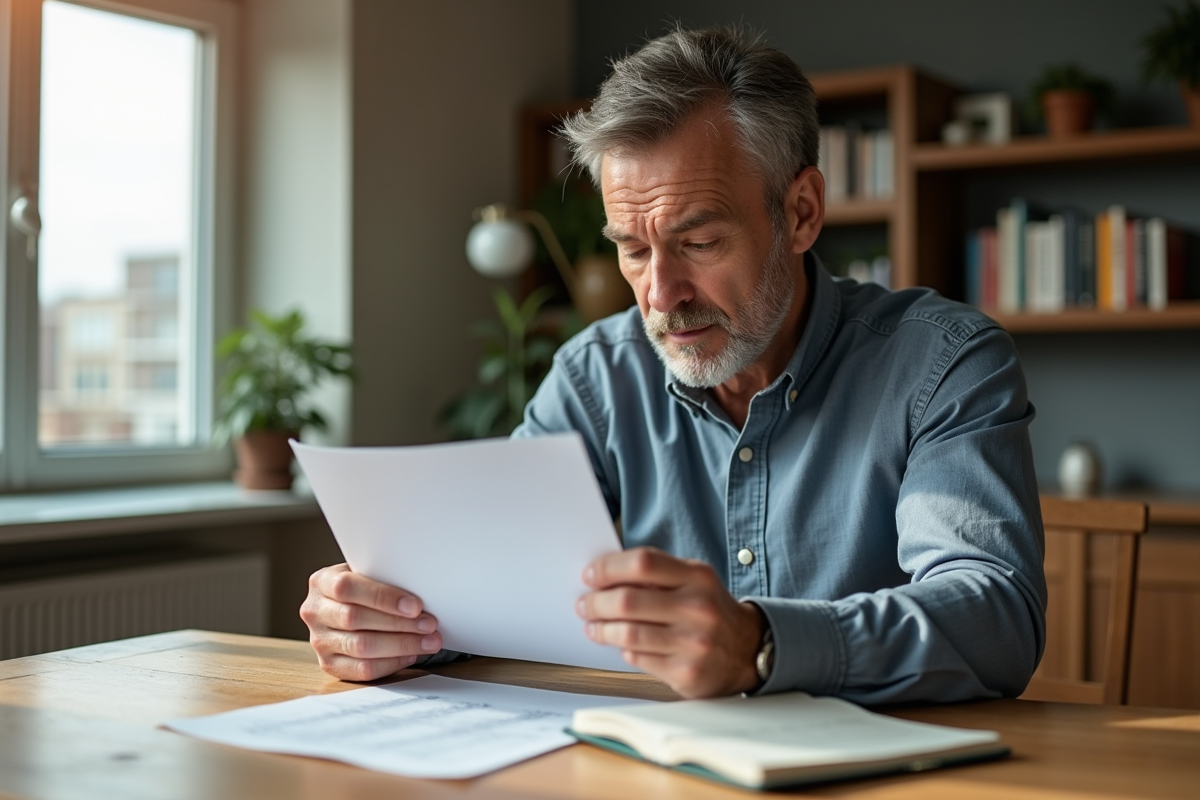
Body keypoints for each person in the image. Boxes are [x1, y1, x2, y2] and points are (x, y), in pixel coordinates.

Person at [301, 25, 1046, 704]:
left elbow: (995, 615)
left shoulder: (943, 364)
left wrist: (762, 644)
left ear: (801, 213)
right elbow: (493, 584)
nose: (661, 295)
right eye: (632, 249)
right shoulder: (594, 378)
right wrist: (390, 624)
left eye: (699, 243)